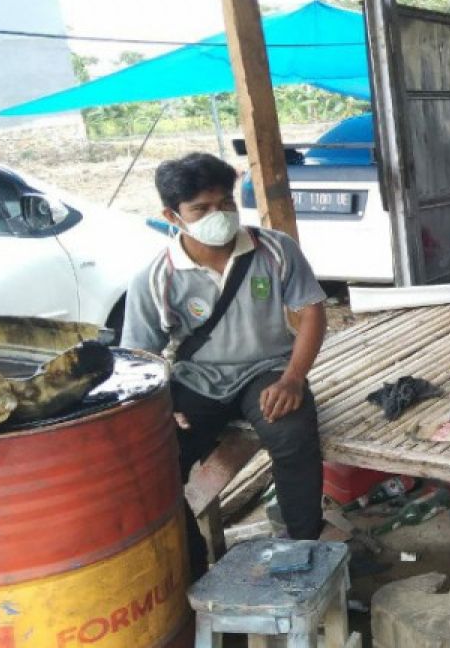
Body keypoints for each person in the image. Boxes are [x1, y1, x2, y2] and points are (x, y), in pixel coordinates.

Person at [122, 153, 328, 580]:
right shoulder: (155, 277)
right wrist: (160, 406)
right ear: (171, 216)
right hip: (198, 379)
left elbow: (311, 311)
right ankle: (193, 565)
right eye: (201, 209)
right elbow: (138, 357)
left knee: (292, 434)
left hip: (266, 371)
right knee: (158, 459)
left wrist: (292, 378)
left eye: (225, 204)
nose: (218, 216)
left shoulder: (274, 249)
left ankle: (303, 547)